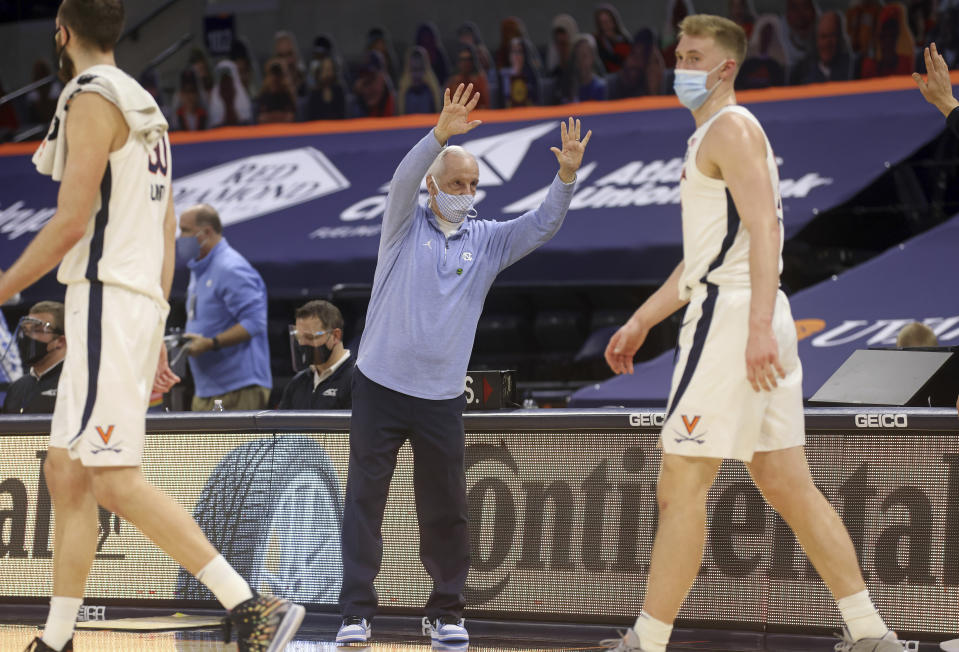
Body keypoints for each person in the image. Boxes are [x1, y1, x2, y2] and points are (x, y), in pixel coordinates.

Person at [0, 2, 303, 651]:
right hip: (130, 304)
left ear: (62, 32)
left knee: (112, 478)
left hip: (108, 300)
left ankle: (250, 606)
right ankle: (56, 640)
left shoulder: (90, 96)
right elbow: (166, 229)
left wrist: (5, 285)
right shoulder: (145, 104)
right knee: (66, 470)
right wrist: (157, 326)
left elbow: (71, 221)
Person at [601, 15, 905, 652]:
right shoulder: (713, 134)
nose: (680, 66)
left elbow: (766, 230)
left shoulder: (731, 127)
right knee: (787, 482)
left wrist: (758, 325)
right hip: (747, 309)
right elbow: (706, 255)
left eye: (693, 56)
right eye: (678, 53)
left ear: (725, 67)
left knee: (681, 481)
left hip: (736, 317)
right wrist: (641, 319)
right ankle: (872, 634)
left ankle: (647, 642)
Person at [335, 83, 590, 646]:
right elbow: (402, 179)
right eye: (457, 183)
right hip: (379, 386)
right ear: (434, 185)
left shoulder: (489, 241)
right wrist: (439, 135)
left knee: (447, 509)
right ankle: (356, 612)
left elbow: (542, 224)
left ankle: (445, 612)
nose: (467, 192)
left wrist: (565, 177)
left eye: (473, 185)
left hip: (441, 396)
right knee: (364, 503)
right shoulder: (402, 225)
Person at [177, 204, 271, 411]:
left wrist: (211, 343)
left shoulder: (231, 268)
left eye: (185, 230)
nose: (180, 237)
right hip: (207, 388)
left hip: (238, 389)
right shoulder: (200, 268)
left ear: (206, 232)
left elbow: (255, 323)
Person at [278, 300, 354, 410]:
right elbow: (279, 425)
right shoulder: (297, 382)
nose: (302, 344)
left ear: (335, 336)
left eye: (309, 337)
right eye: (299, 338)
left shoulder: (356, 380)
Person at [2, 301, 65, 414]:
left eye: (36, 330)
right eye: (25, 330)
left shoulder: (76, 383)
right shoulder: (16, 387)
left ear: (60, 341)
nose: (27, 336)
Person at [790, 10, 856, 84]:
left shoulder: (853, 68)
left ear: (840, 38)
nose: (827, 43)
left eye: (832, 36)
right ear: (816, 40)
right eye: (823, 37)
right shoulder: (800, 73)